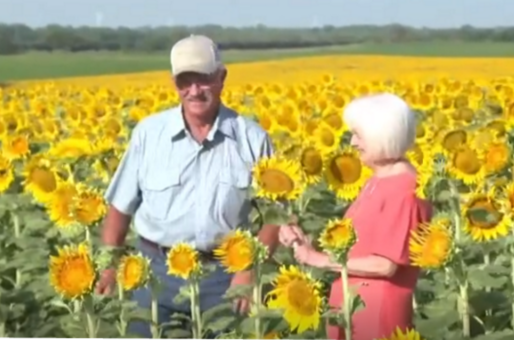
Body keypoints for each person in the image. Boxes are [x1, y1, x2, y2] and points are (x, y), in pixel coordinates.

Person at [95, 35, 279, 339]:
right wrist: (110, 266)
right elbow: (119, 207)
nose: (194, 91)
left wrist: (249, 270)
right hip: (153, 272)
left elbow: (276, 214)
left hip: (223, 275)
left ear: (221, 77)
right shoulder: (149, 134)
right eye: (185, 82)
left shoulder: (251, 138)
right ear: (174, 83)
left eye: (203, 79)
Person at [279, 93, 433, 340]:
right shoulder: (378, 180)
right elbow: (360, 247)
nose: (352, 142)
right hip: (353, 306)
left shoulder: (405, 189)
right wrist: (305, 244)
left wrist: (319, 260)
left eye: (359, 135)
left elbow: (385, 264)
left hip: (377, 312)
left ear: (383, 137)